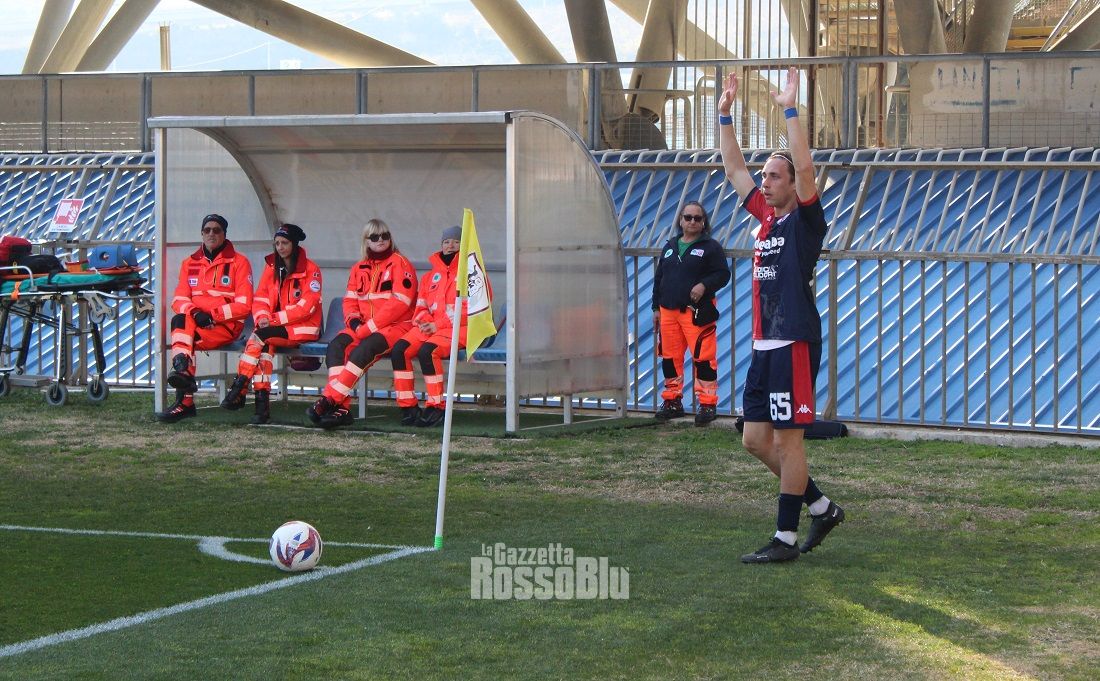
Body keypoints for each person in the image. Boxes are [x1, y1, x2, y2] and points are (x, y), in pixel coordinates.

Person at [719, 68, 845, 563]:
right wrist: (724, 116)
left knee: (790, 442)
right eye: (765, 176)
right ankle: (822, 507)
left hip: (793, 340)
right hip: (764, 343)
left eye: (774, 176)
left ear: (793, 185)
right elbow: (734, 170)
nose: (764, 182)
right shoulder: (766, 216)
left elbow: (807, 167)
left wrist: (790, 108)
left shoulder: (805, 220)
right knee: (754, 439)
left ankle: (785, 539)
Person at [306, 218, 417, 428]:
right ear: (366, 241)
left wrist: (368, 328)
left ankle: (329, 399)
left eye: (385, 235)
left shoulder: (400, 263)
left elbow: (400, 303)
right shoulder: (358, 268)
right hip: (364, 327)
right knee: (336, 347)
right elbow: (349, 301)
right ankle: (341, 409)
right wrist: (355, 323)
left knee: (362, 351)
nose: (381, 240)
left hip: (396, 327)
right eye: (374, 237)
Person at [219, 223, 322, 424]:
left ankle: (240, 387)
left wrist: (272, 320)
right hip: (276, 328)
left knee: (260, 336)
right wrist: (262, 318)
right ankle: (261, 408)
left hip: (303, 328)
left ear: (294, 244)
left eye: (284, 243)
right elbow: (260, 298)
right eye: (277, 243)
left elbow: (306, 308)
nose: (280, 247)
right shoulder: (272, 267)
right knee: (264, 349)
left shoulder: (311, 270)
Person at [391, 225, 492, 428]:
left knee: (428, 352)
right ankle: (408, 407)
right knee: (399, 350)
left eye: (456, 242)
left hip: (460, 329)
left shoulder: (472, 273)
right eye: (446, 242)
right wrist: (426, 322)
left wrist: (437, 325)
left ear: (464, 246)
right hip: (430, 327)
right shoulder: (429, 277)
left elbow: (471, 310)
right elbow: (420, 306)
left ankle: (436, 407)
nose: (450, 245)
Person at [157, 213, 253, 423]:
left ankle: (185, 401)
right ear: (201, 233)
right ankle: (184, 378)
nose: (211, 234)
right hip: (197, 323)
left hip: (226, 327)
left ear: (224, 234)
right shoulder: (189, 263)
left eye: (216, 230)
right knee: (180, 323)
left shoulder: (239, 262)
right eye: (207, 230)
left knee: (183, 340)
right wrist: (195, 313)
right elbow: (179, 299)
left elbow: (244, 306)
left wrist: (212, 316)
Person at [651, 201, 731, 426]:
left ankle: (707, 403)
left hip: (696, 312)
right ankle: (672, 401)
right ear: (680, 220)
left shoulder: (711, 247)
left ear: (704, 222)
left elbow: (722, 274)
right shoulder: (670, 246)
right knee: (670, 359)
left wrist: (704, 285)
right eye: (688, 217)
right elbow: (659, 279)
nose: (692, 222)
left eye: (697, 218)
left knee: (704, 359)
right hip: (668, 312)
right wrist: (656, 308)